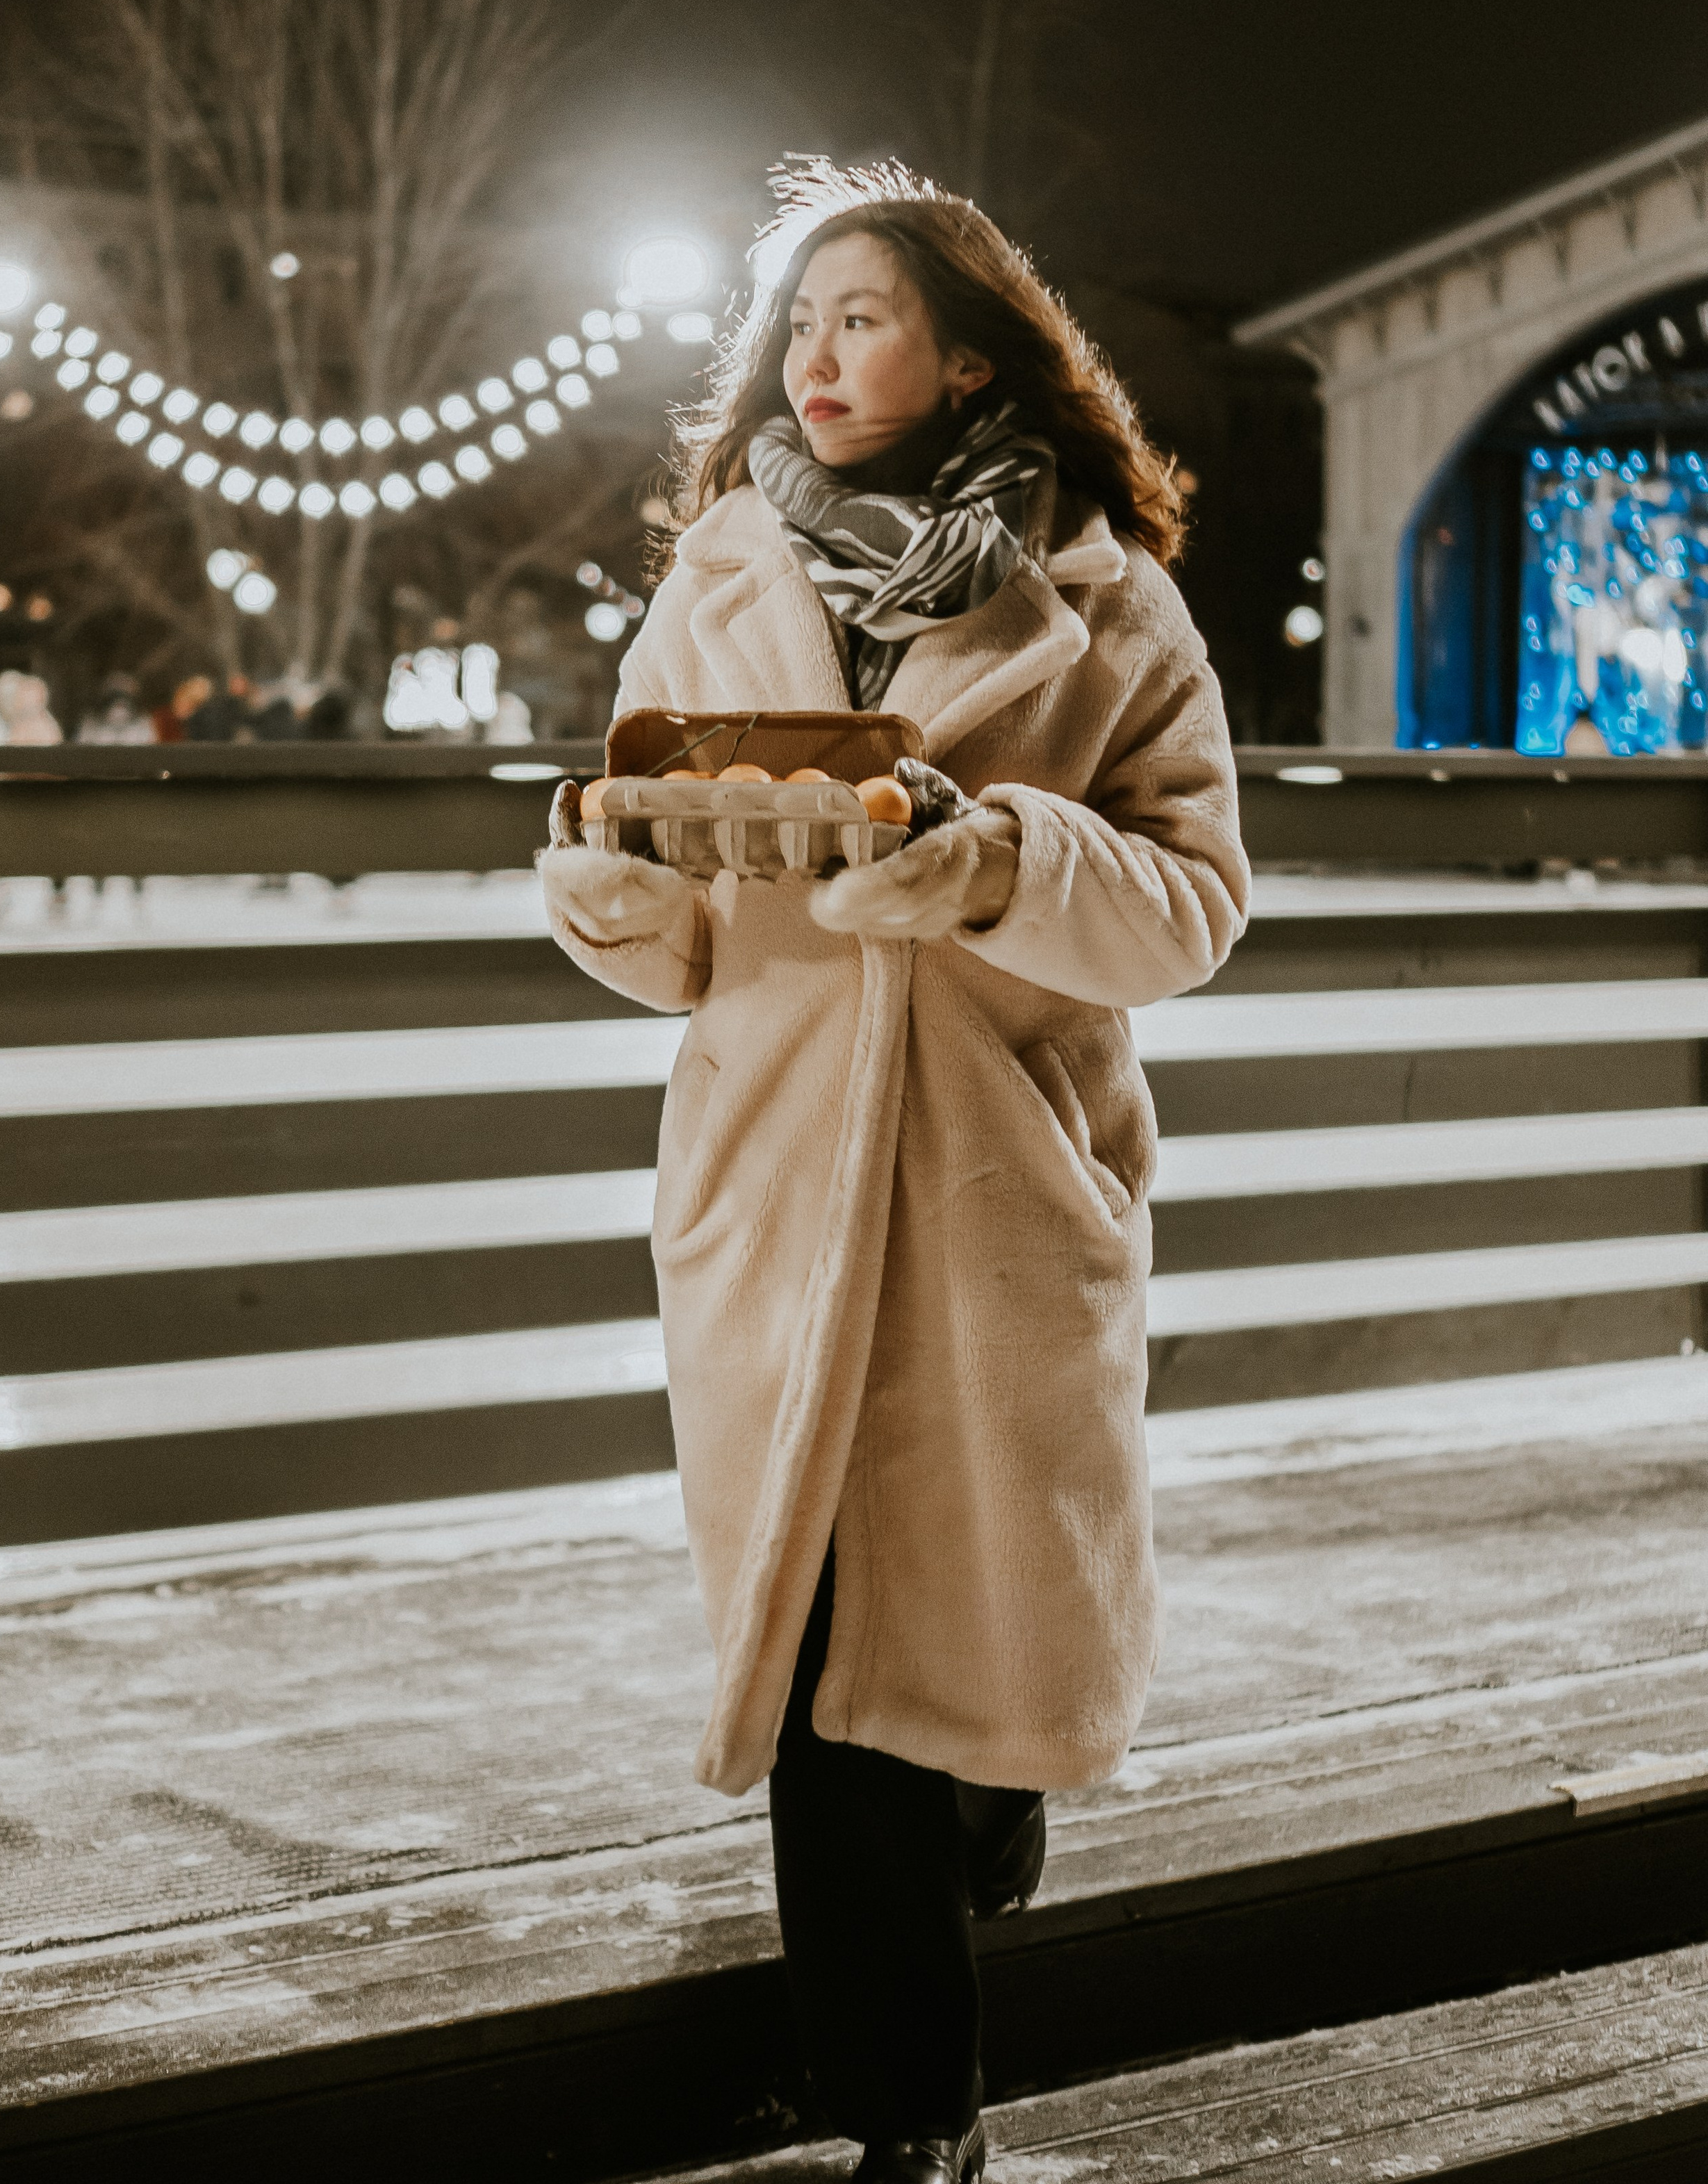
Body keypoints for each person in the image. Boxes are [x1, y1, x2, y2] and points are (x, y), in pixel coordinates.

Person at [537, 166, 1248, 2184]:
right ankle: (912, 2115)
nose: (818, 355)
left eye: (863, 317)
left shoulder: (1107, 597)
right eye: (801, 320)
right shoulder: (722, 577)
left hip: (997, 1202)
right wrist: (608, 873)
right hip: (770, 1186)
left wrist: (999, 861)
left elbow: (1196, 903)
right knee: (837, 1657)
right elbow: (670, 927)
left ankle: (980, 1842)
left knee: (963, 1680)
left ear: (966, 351)